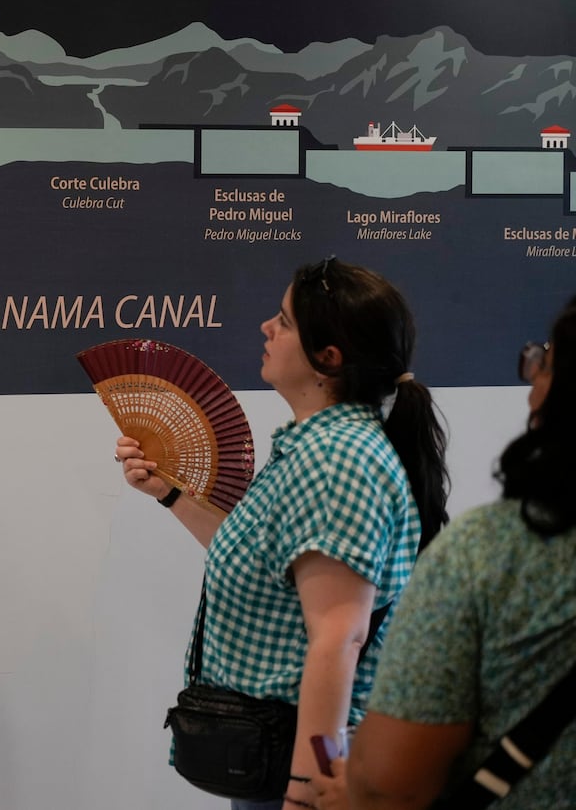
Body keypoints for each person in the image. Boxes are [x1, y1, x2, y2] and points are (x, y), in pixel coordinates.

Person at [116, 257, 450, 810]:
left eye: (285, 321)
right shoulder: (311, 446)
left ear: (329, 358)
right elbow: (263, 558)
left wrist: (307, 790)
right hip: (270, 755)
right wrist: (169, 493)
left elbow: (339, 639)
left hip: (292, 767)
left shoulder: (336, 460)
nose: (266, 329)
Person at [307, 297, 576, 809]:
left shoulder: (489, 552)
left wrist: (357, 791)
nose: (265, 330)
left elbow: (392, 784)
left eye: (545, 362)